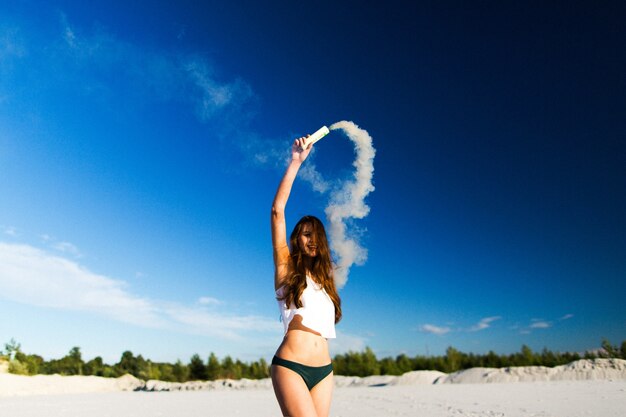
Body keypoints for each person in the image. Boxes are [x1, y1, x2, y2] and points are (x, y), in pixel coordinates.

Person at [270, 135, 342, 417]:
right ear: (296, 239)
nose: (311, 239)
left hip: (324, 371)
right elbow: (277, 212)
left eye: (316, 235)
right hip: (291, 365)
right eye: (305, 234)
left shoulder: (327, 281)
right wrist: (296, 162)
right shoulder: (286, 268)